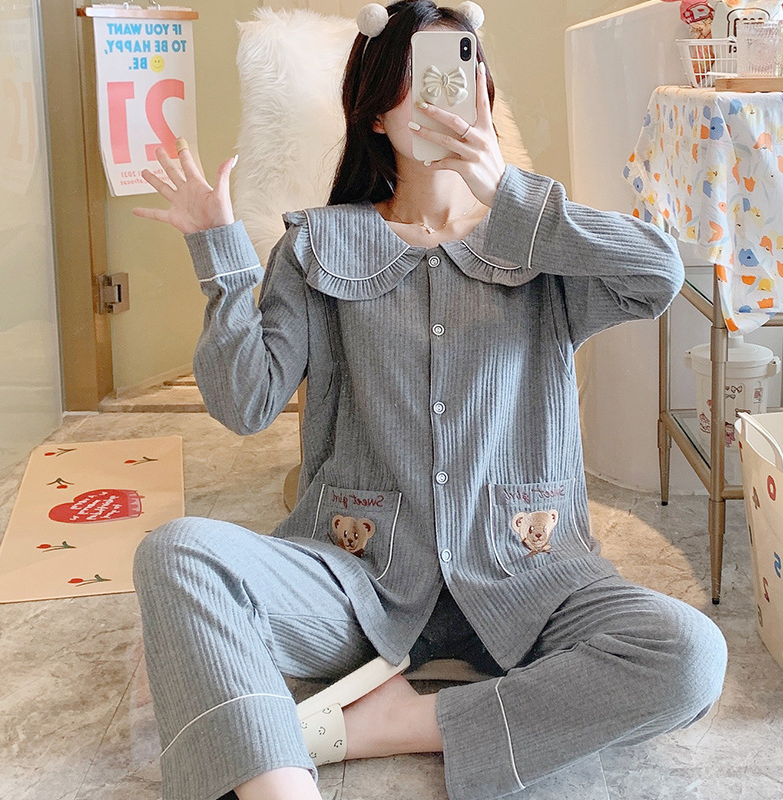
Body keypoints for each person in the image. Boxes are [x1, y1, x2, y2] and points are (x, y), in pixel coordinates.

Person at [132, 2, 728, 799]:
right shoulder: (316, 245)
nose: (445, 99)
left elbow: (657, 275)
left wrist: (507, 191)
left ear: (484, 92)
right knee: (177, 553)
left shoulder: (539, 241)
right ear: (377, 111)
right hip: (356, 581)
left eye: (458, 72)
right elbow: (245, 402)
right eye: (417, 80)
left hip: (530, 575)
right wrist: (221, 251)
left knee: (690, 654)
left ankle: (393, 724)